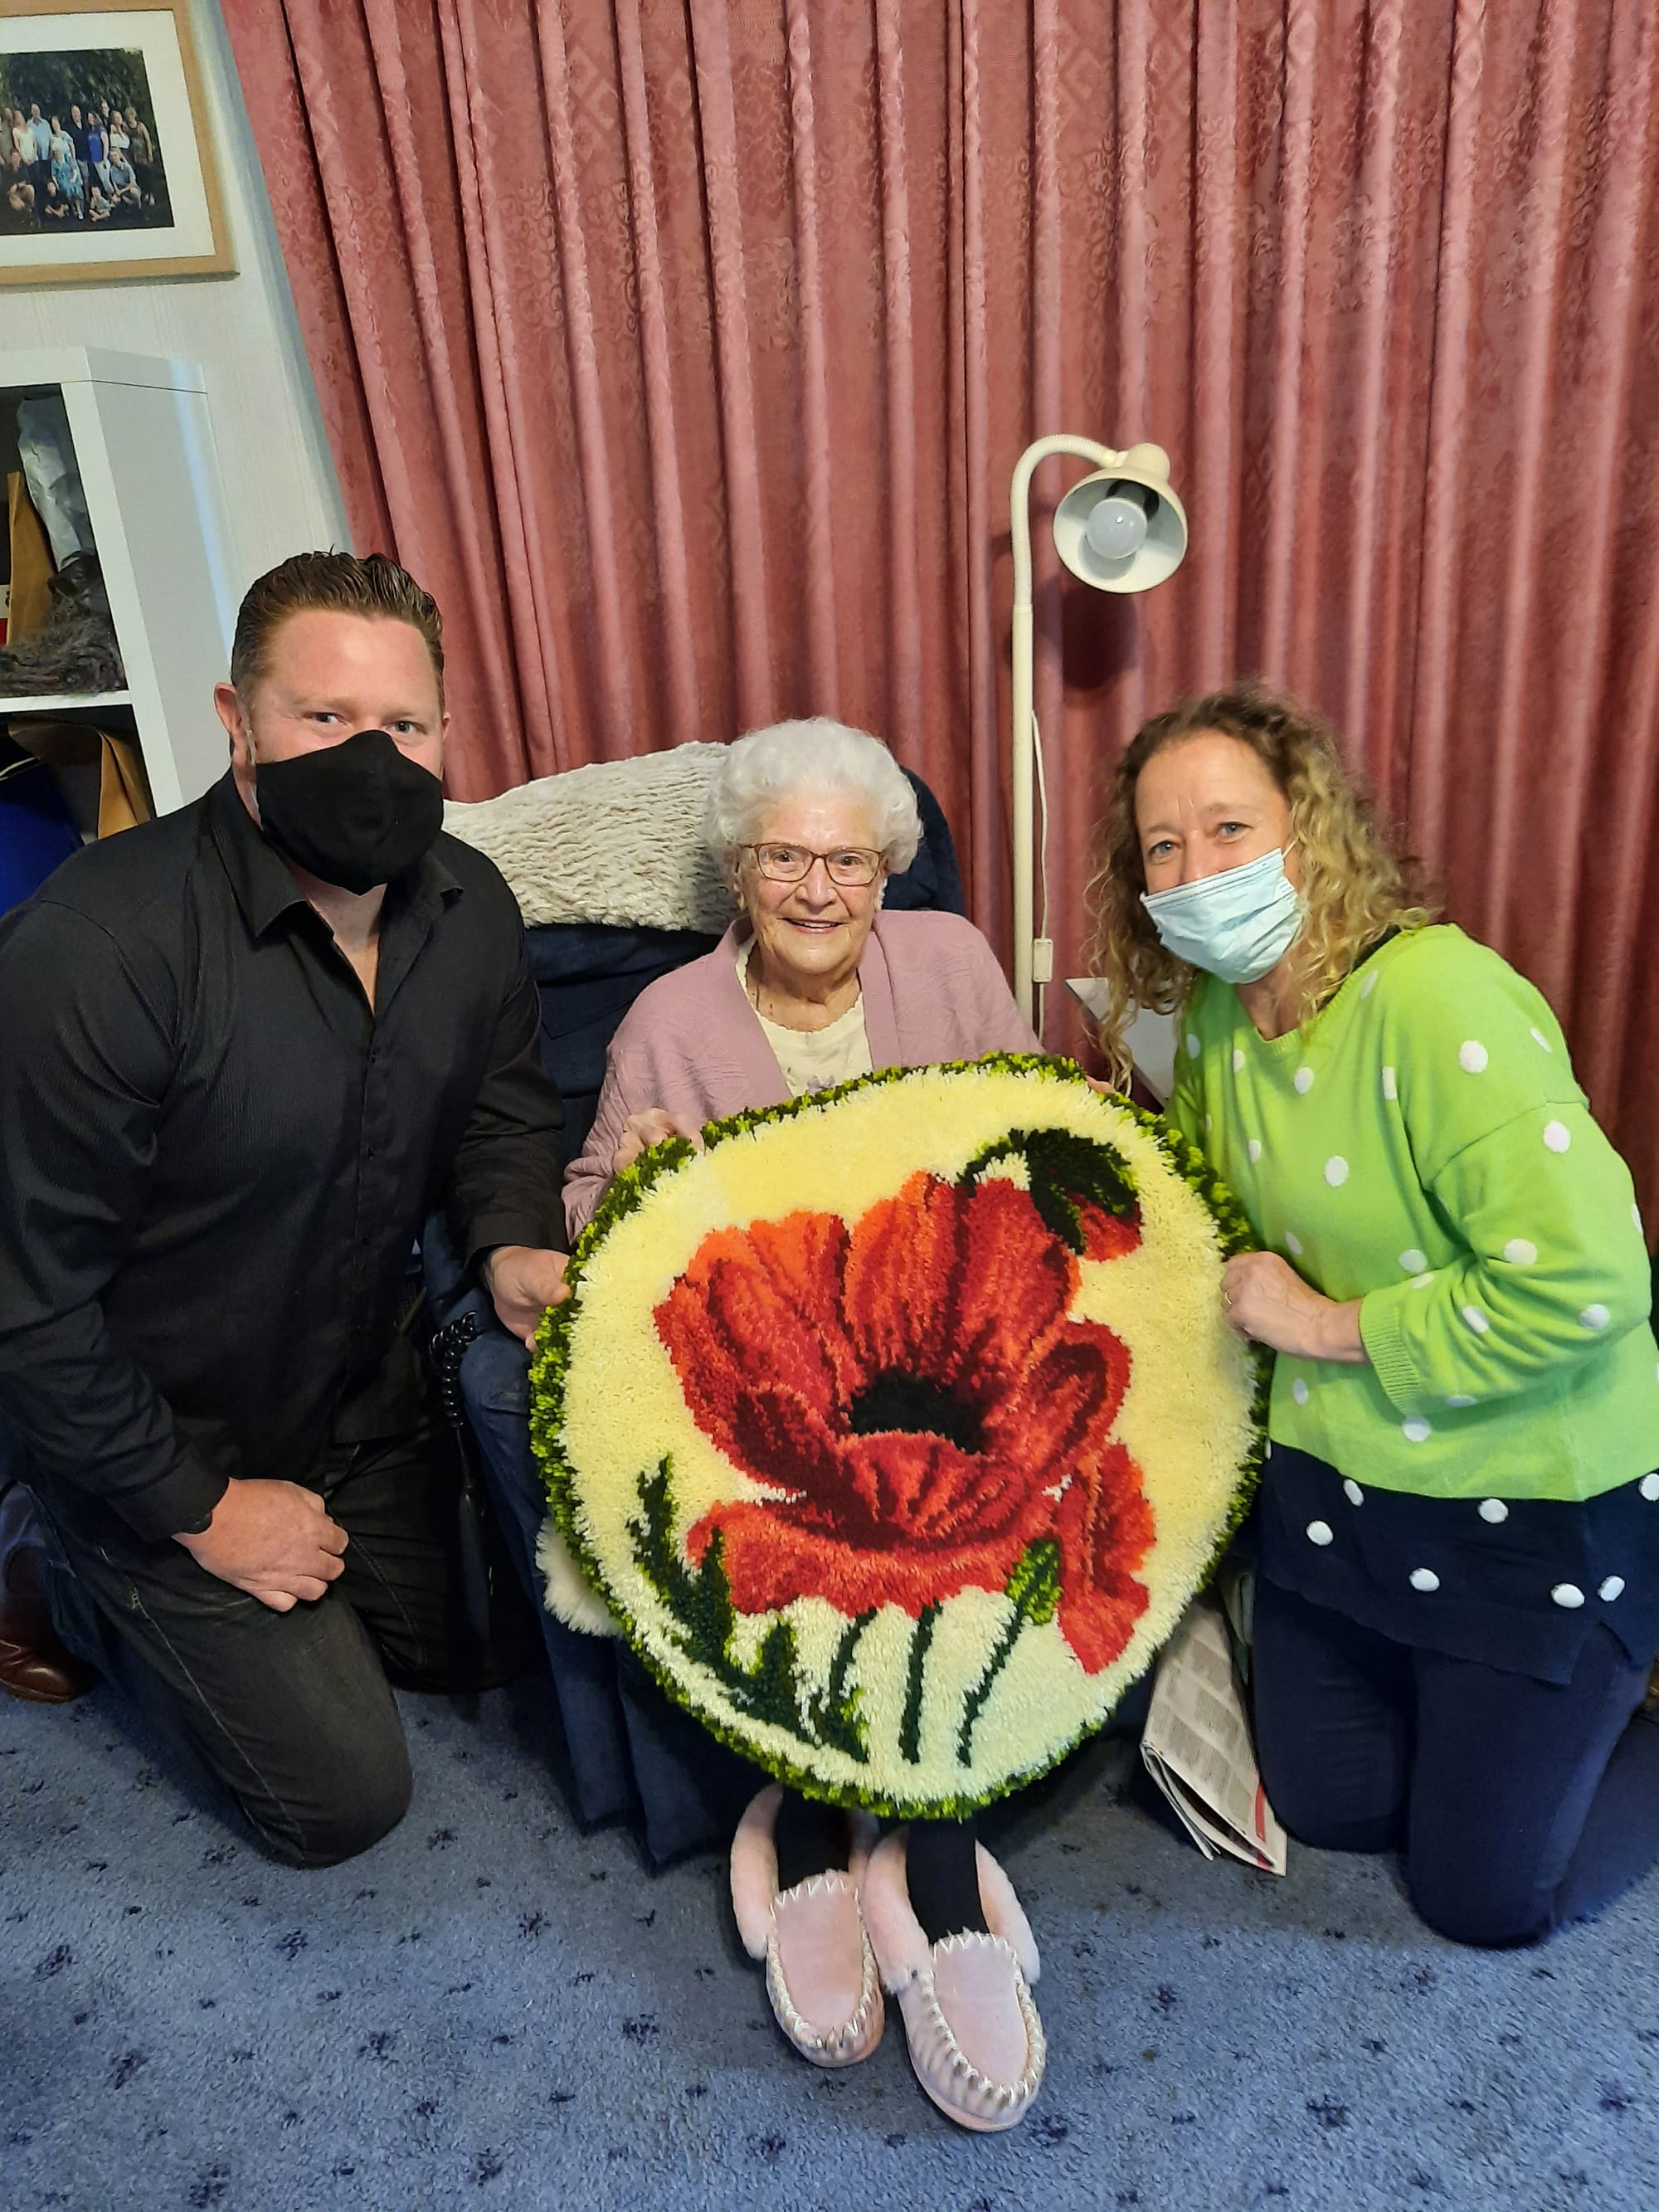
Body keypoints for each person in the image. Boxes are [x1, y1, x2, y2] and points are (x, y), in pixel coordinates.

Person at [0, 551, 571, 1868]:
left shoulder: (470, 904)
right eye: (326, 719)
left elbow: (503, 1105)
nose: (372, 758)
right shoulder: (99, 951)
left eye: (406, 725)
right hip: (165, 1441)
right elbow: (29, 1311)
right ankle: (62, 1567)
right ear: (236, 719)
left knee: (493, 1649)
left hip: (363, 1406)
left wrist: (513, 1239)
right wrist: (203, 1510)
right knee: (341, 1796)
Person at [1087, 680, 1659, 1948]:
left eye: (1230, 829)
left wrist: (1325, 1324)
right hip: (1343, 1491)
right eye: (1164, 846)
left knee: (1480, 1900)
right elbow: (1208, 1224)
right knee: (1333, 1810)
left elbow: (1592, 1282)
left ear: (1312, 829)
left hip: (1528, 1504)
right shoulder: (1226, 1019)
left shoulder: (1440, 1001)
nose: (1195, 868)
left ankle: (1609, 1705)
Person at [544, 720, 1049, 2127]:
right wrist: (622, 1183)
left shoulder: (950, 961)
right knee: (791, 1528)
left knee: (969, 1498)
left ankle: (927, 1856)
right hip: (764, 1375)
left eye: (847, 858)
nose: (817, 888)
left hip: (944, 1345)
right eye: (785, 857)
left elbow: (1034, 1123)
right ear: (738, 869)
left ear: (889, 871)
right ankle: (829, 1825)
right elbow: (586, 1198)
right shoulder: (665, 1023)